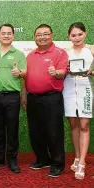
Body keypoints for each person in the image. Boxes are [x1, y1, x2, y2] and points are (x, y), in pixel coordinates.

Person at [26, 24, 68, 178]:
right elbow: (26, 78)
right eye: (38, 34)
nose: (42, 37)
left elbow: (62, 72)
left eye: (45, 34)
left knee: (54, 132)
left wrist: (56, 73)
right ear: (34, 37)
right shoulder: (30, 55)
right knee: (36, 131)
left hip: (52, 98)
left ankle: (58, 164)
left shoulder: (60, 53)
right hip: (32, 98)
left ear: (52, 35)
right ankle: (43, 159)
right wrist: (25, 97)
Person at [0, 24, 26, 174]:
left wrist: (19, 72)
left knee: (12, 130)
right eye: (3, 33)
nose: (6, 35)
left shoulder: (19, 54)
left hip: (12, 97)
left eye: (9, 33)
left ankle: (12, 160)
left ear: (13, 36)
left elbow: (25, 72)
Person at [62, 22, 94, 180]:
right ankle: (76, 157)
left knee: (84, 125)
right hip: (68, 89)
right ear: (69, 36)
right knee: (73, 124)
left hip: (85, 90)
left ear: (85, 34)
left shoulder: (91, 51)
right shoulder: (65, 53)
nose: (77, 38)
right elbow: (61, 72)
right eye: (73, 35)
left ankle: (82, 163)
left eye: (80, 34)